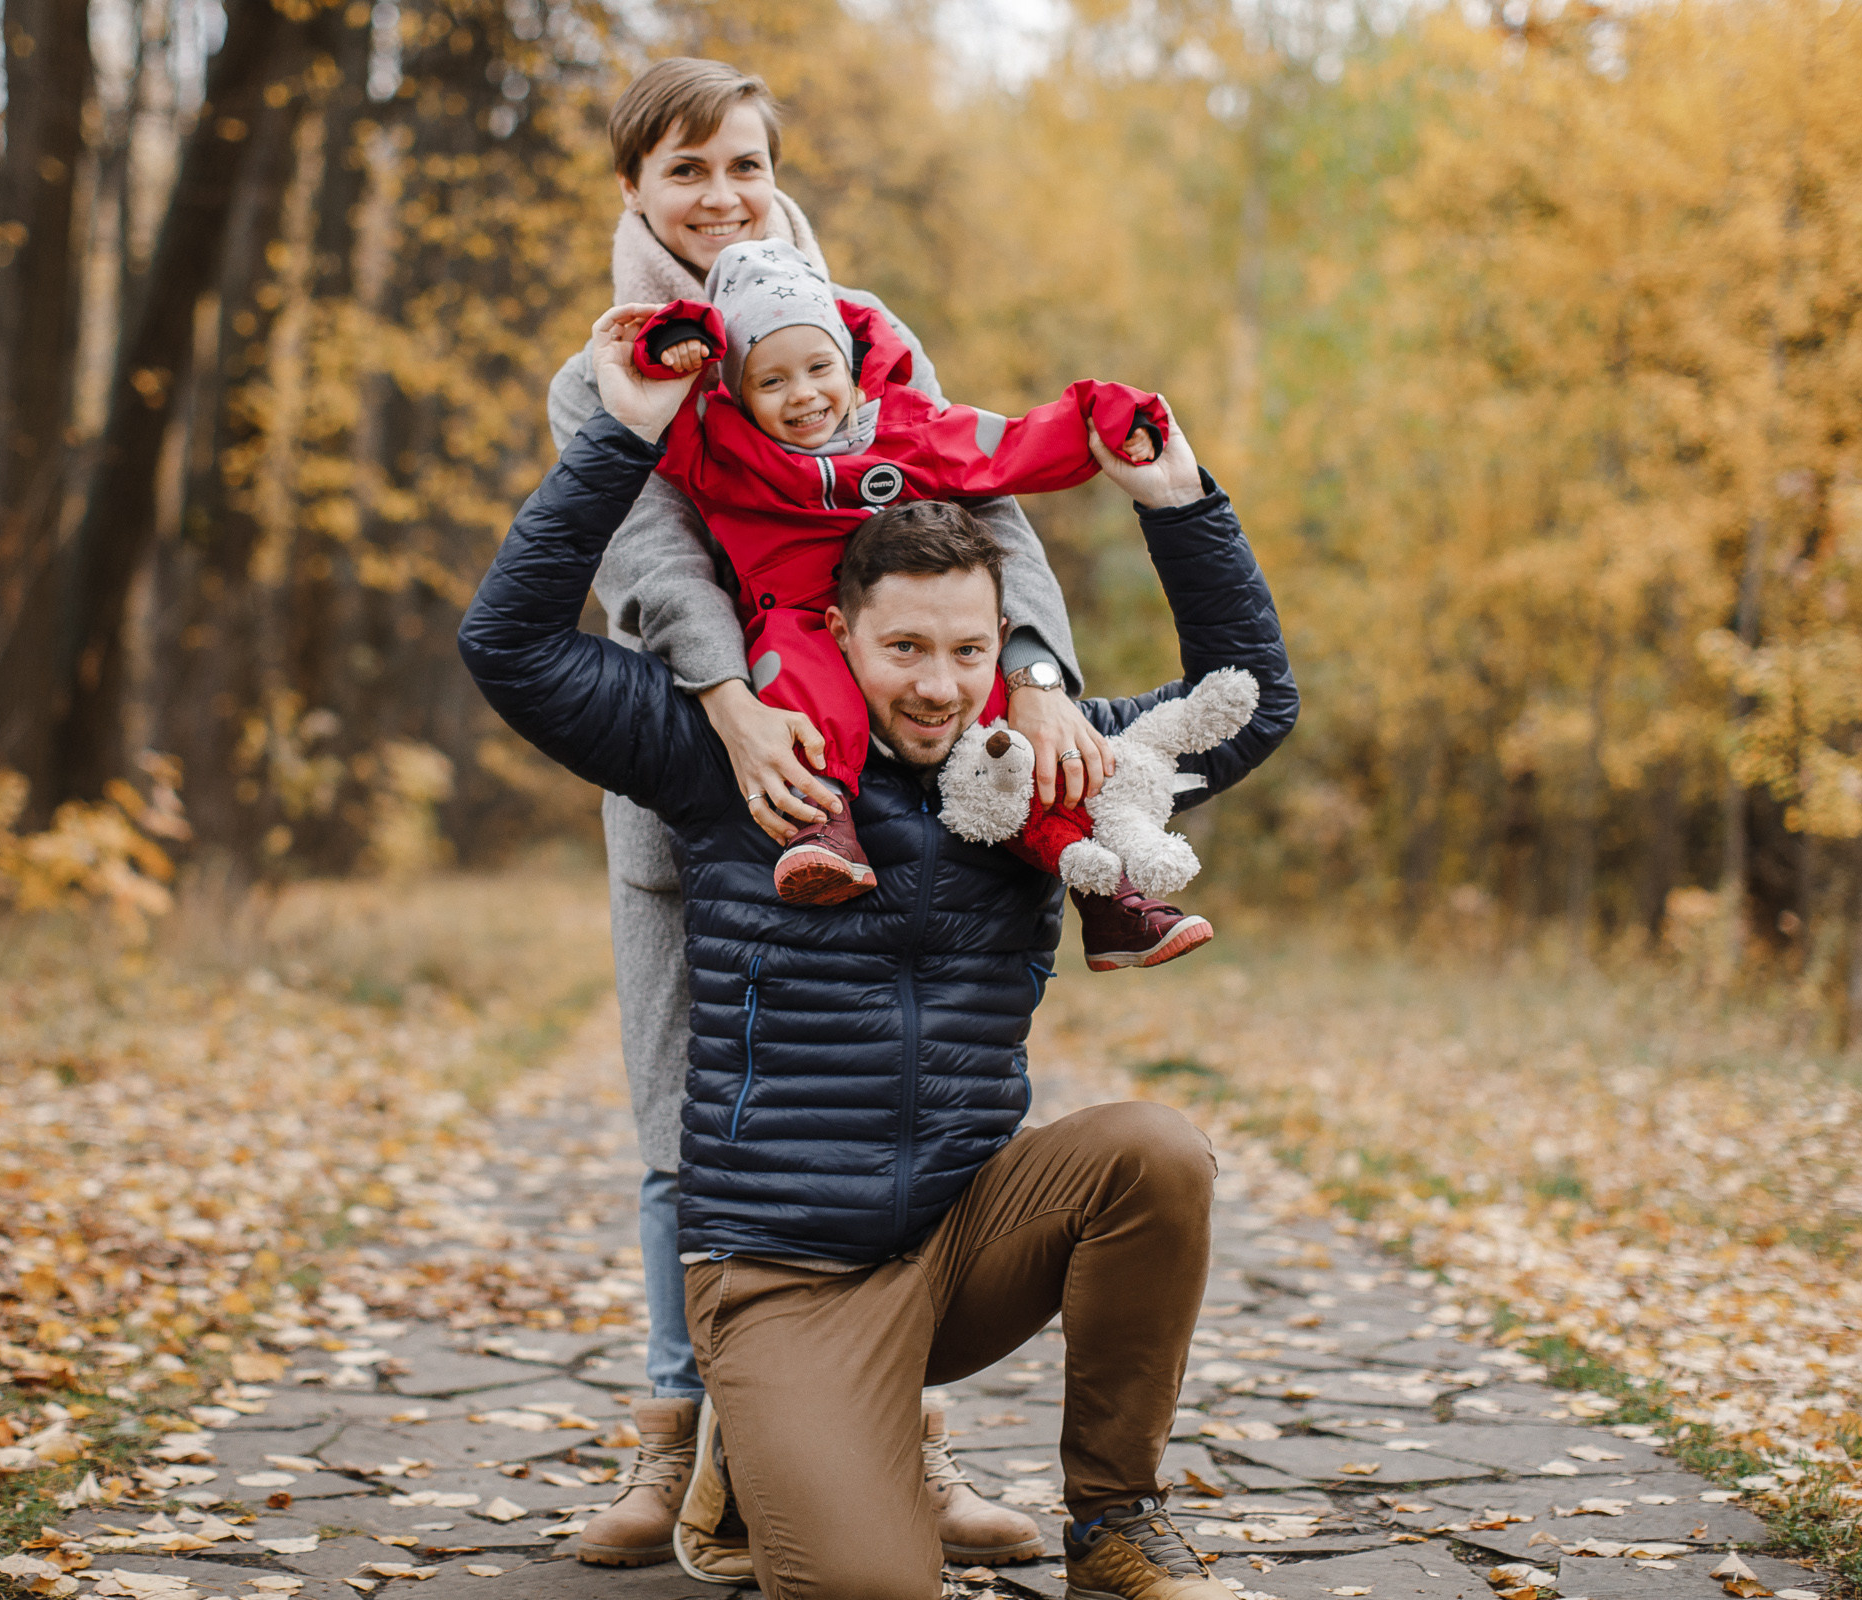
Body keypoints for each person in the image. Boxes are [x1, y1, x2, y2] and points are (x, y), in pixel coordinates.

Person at [460, 302, 1298, 1599]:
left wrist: (1177, 495)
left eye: (970, 652)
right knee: (867, 1588)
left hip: (961, 1246)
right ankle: (779, 1450)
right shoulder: (733, 757)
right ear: (839, 634)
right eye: (904, 647)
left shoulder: (1039, 771)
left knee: (1156, 1156)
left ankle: (1114, 1522)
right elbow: (505, 646)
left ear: (1006, 656)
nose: (936, 685)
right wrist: (622, 432)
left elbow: (1250, 694)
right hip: (781, 1277)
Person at [549, 57, 1132, 1571]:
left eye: (741, 162)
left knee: (904, 1097)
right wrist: (732, 707)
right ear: (633, 192)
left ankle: (908, 1447)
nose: (719, 193)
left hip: (898, 802)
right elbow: (652, 565)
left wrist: (1042, 673)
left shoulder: (863, 333)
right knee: (688, 1122)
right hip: (700, 786)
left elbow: (977, 502)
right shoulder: (605, 366)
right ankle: (679, 1438)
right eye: (685, 170)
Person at [616, 242, 1213, 969]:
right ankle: (823, 830)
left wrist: (1118, 420)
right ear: (737, 391)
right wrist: (673, 345)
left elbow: (1014, 445)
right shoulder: (724, 449)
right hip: (802, 621)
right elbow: (642, 415)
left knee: (1010, 740)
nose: (802, 394)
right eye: (770, 379)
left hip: (912, 632)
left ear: (852, 368)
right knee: (790, 667)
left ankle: (1105, 893)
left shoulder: (907, 431)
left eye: (818, 368)